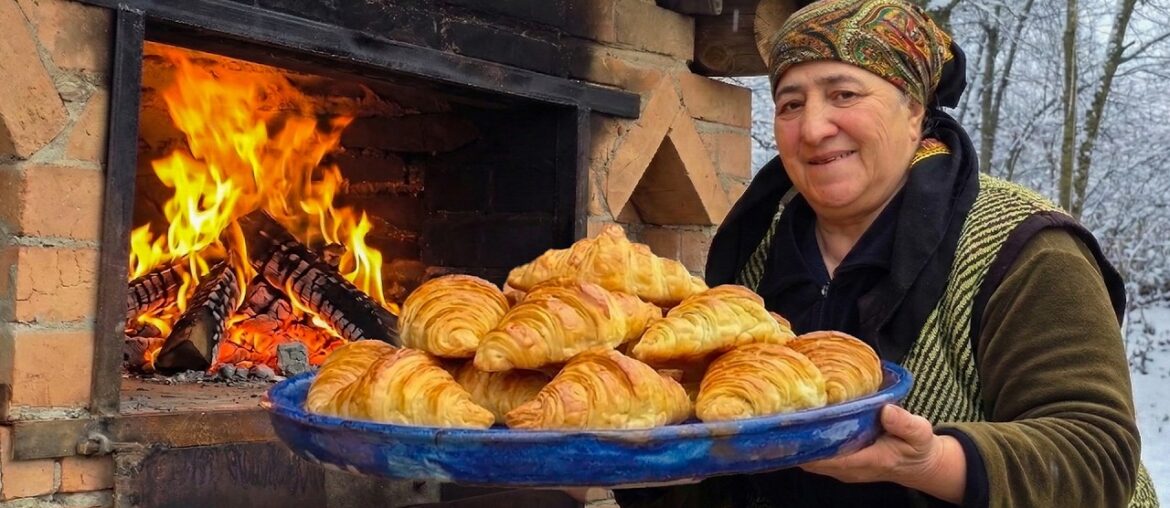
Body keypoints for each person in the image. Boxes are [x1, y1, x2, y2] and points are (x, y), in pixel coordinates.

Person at [614, 0, 1159, 506]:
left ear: (915, 113)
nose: (813, 127)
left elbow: (1097, 455)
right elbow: (729, 462)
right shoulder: (753, 252)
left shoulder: (1021, 249)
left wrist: (932, 461)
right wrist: (619, 467)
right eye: (790, 103)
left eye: (844, 94)